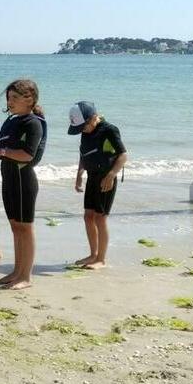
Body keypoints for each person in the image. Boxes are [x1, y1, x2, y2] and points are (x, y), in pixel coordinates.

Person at [0, 79, 47, 290]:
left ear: (29, 99)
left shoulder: (33, 123)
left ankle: (26, 276)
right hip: (8, 177)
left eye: (14, 98)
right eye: (8, 98)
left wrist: (0, 152)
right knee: (15, 227)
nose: (9, 102)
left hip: (23, 179)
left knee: (25, 228)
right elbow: (3, 148)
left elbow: (27, 155)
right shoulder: (11, 121)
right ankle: (16, 271)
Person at [68, 101, 128, 270]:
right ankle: (93, 254)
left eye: (83, 126)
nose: (82, 130)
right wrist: (79, 174)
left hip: (106, 178)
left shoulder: (109, 130)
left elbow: (123, 155)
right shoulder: (85, 131)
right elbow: (83, 154)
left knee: (101, 218)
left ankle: (101, 259)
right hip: (92, 177)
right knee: (88, 216)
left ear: (93, 118)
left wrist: (111, 175)